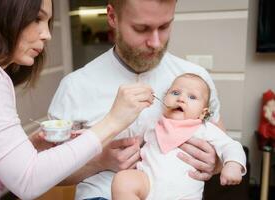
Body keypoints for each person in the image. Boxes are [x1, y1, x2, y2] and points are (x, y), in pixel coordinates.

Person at [0, 0, 154, 199]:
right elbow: (28, 181)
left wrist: (29, 148)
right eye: (37, 19)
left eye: (48, 22)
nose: (47, 34)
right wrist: (112, 122)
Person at [48, 0, 224, 199]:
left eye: (165, 26)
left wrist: (215, 162)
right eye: (141, 29)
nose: (156, 43)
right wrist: (100, 161)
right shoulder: (75, 86)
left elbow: (222, 152)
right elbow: (47, 172)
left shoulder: (196, 80)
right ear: (112, 17)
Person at [111, 73, 247, 200]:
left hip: (184, 195)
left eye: (192, 97)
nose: (181, 99)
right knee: (123, 180)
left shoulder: (203, 129)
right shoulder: (153, 123)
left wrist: (233, 165)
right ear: (164, 100)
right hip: (147, 184)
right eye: (175, 93)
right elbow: (128, 137)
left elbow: (231, 145)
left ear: (202, 113)